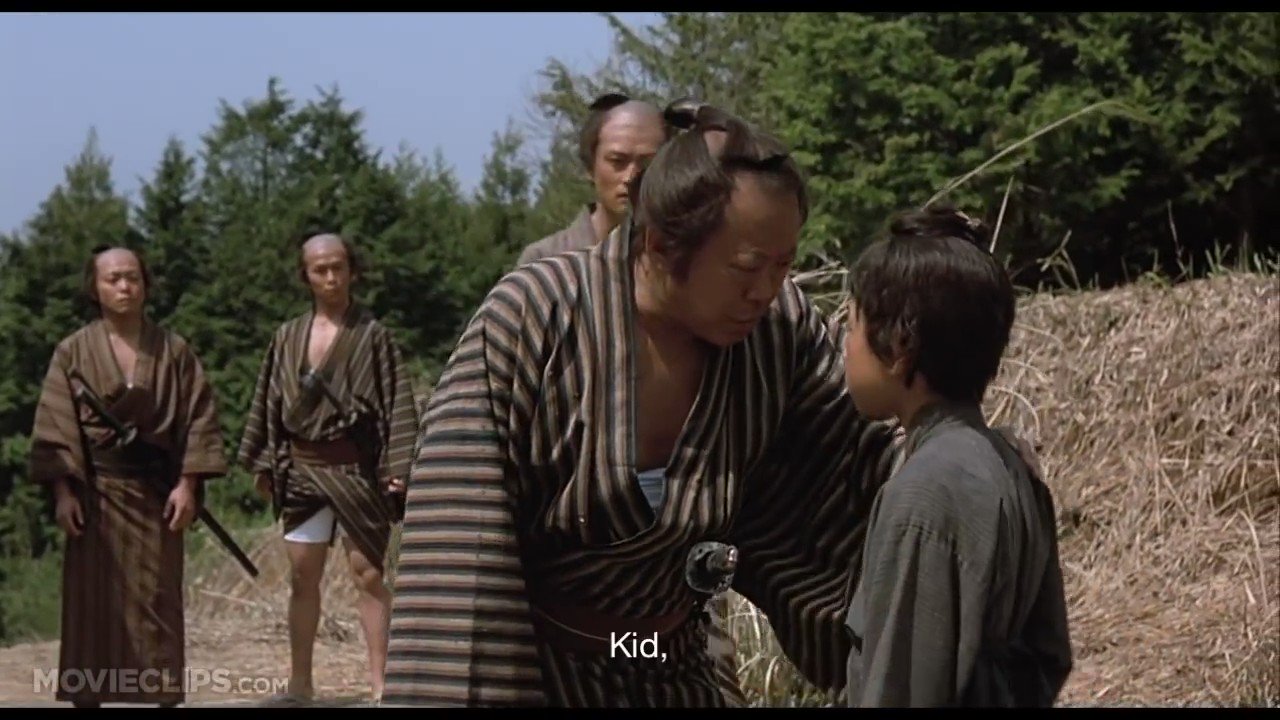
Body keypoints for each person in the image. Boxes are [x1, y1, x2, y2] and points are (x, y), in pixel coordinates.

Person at [382, 101, 912, 708]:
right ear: (659, 244)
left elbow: (859, 451)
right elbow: (461, 549)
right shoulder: (533, 316)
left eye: (782, 266)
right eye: (745, 267)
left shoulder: (779, 328)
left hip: (671, 657)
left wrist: (954, 461)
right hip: (542, 664)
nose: (765, 290)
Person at [839, 206, 1073, 707]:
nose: (846, 344)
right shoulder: (1011, 466)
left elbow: (897, 691)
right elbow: (1048, 655)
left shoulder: (928, 492)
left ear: (900, 344)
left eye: (852, 323)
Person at [28, 245, 228, 708]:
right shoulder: (73, 351)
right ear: (94, 288)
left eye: (133, 278)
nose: (124, 287)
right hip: (95, 496)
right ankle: (89, 698)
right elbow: (56, 426)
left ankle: (161, 696)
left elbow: (198, 419)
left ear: (146, 285)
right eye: (113, 278)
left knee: (158, 600)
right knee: (92, 605)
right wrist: (63, 492)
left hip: (156, 495)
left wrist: (188, 484)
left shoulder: (174, 351)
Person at [237, 233, 419, 705]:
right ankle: (300, 683)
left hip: (356, 471)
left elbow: (398, 402)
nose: (331, 277)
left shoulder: (373, 336)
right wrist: (263, 462)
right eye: (320, 269)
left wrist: (397, 466)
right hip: (302, 471)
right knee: (303, 578)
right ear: (306, 275)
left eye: (338, 267)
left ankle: (381, 682)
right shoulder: (287, 337)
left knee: (369, 575)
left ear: (352, 270)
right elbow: (269, 402)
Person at [515, 92, 671, 267]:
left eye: (648, 163)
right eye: (617, 161)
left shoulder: (679, 258)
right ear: (590, 166)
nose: (631, 177)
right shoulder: (545, 260)